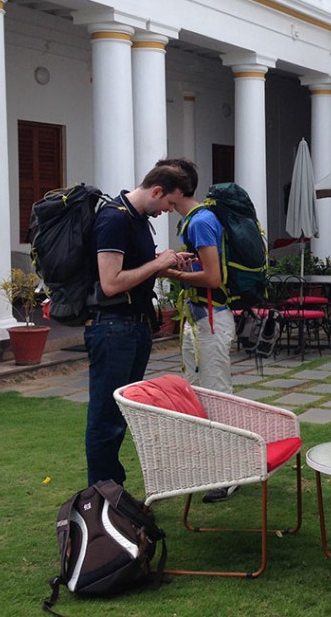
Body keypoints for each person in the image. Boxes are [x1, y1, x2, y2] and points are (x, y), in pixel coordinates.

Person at [84, 159, 198, 486]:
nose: (169, 210)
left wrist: (166, 262)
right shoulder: (113, 219)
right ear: (157, 190)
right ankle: (103, 496)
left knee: (122, 414)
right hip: (112, 328)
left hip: (134, 326)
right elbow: (111, 283)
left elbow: (135, 269)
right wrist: (158, 262)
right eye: (169, 203)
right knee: (106, 418)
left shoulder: (136, 219)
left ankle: (113, 492)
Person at [168, 178, 240, 502]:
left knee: (218, 395)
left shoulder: (200, 221)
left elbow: (214, 277)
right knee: (196, 392)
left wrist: (173, 274)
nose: (160, 197)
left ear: (177, 191)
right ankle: (209, 466)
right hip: (197, 320)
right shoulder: (193, 222)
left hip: (212, 320)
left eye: (164, 189)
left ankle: (232, 473)